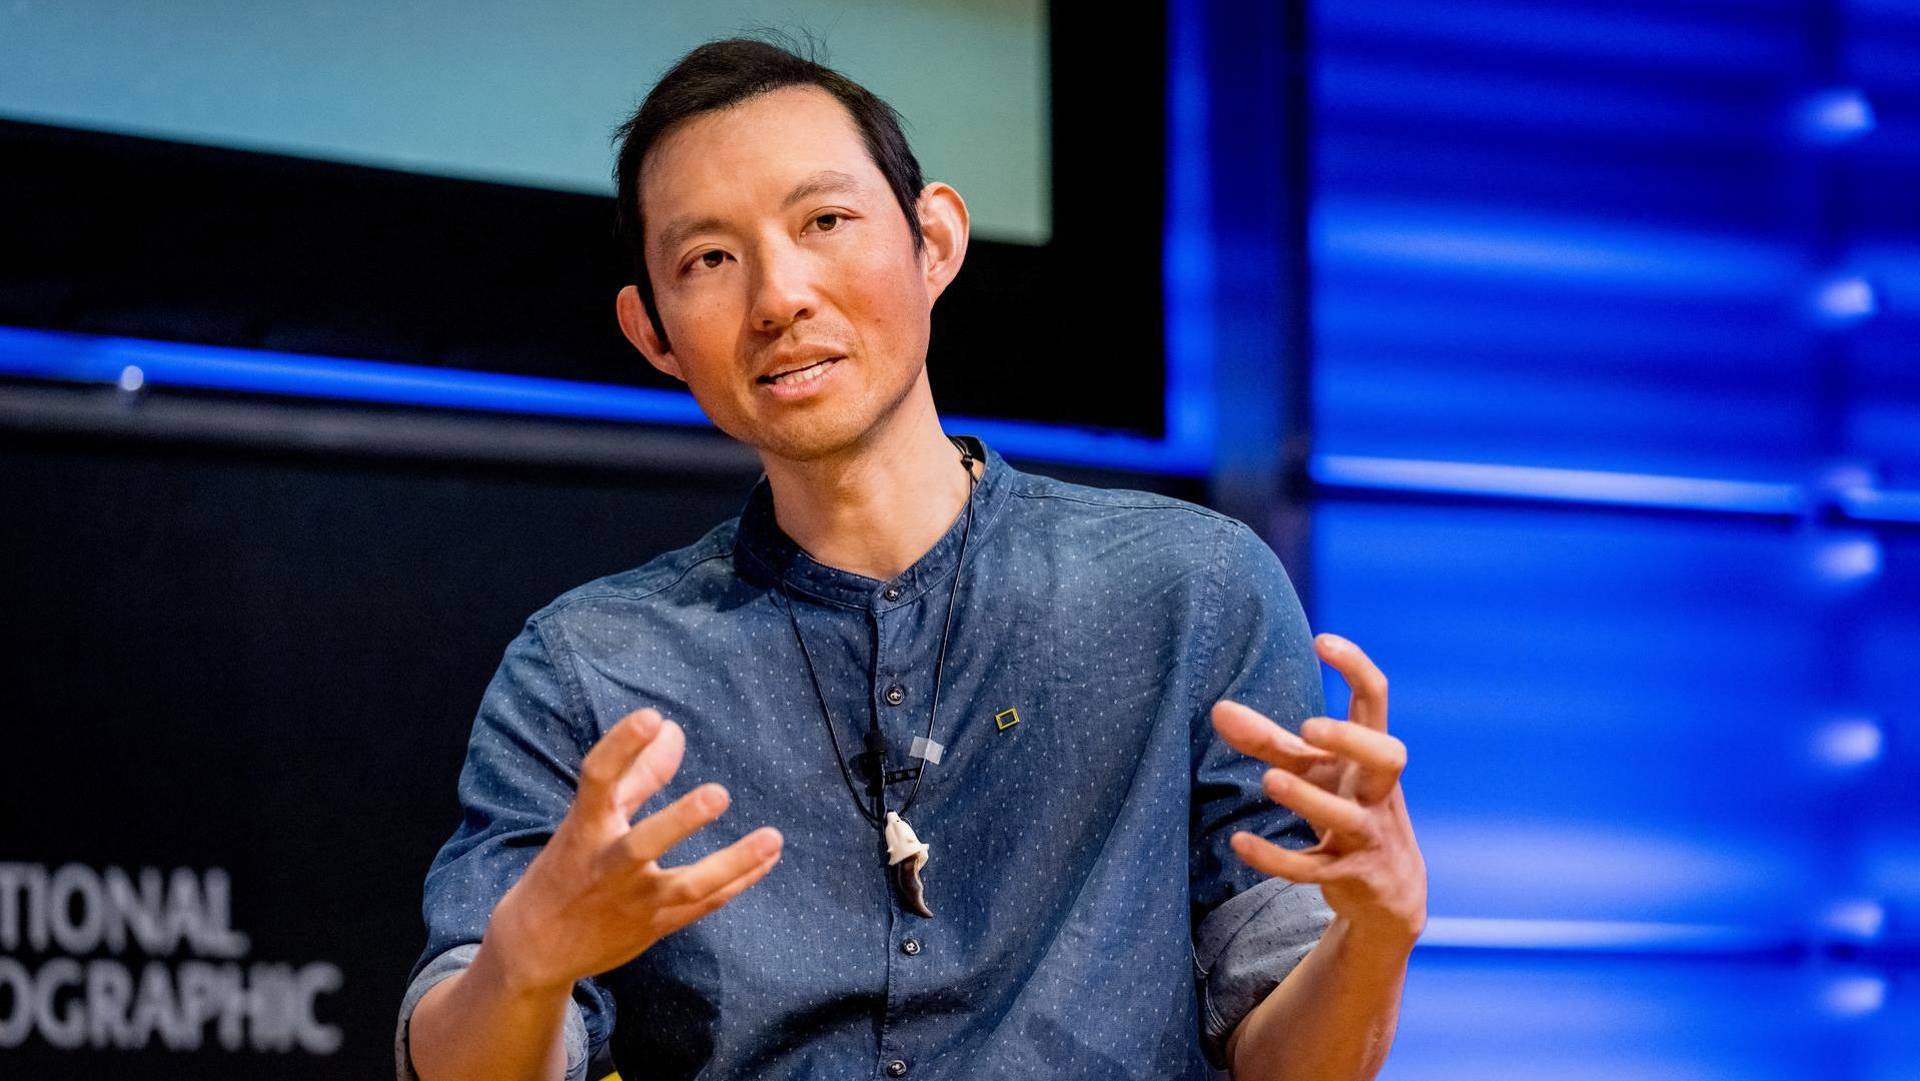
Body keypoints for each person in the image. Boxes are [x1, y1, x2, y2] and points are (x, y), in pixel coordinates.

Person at [396, 35, 1425, 1081]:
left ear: (934, 239)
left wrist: (1375, 935)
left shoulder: (1191, 590)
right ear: (652, 331)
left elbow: (1297, 1062)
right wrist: (523, 966)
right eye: (709, 258)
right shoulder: (592, 666)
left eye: (824, 221)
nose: (778, 295)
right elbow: (454, 1050)